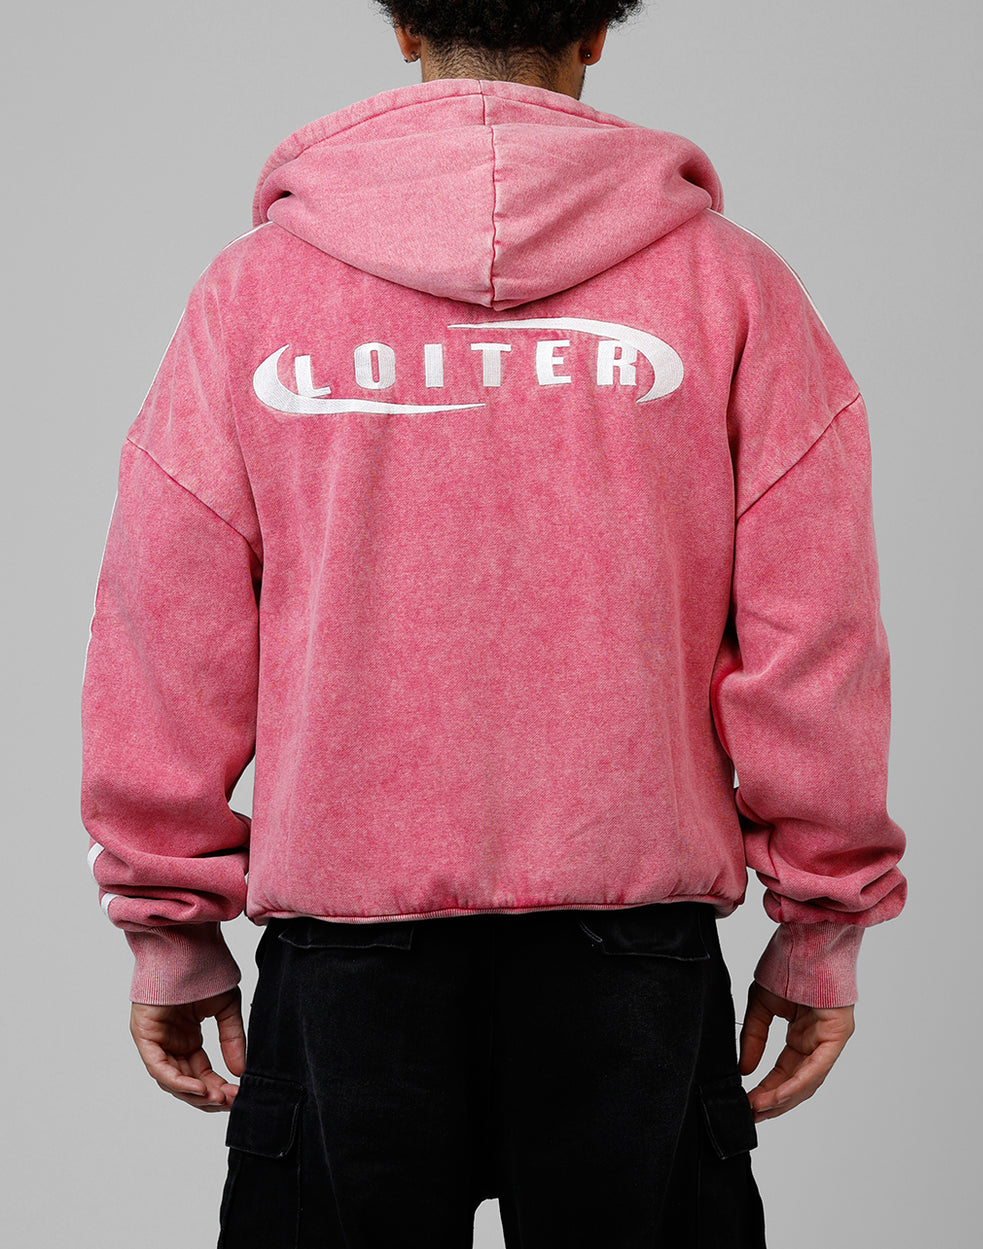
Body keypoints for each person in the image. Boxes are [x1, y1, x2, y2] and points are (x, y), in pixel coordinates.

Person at [80, 1, 907, 1245]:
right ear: (597, 34)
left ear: (403, 27)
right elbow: (813, 634)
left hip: (347, 958)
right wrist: (821, 926)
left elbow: (166, 627)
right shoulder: (731, 288)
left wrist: (170, 926)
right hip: (630, 959)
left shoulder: (251, 297)